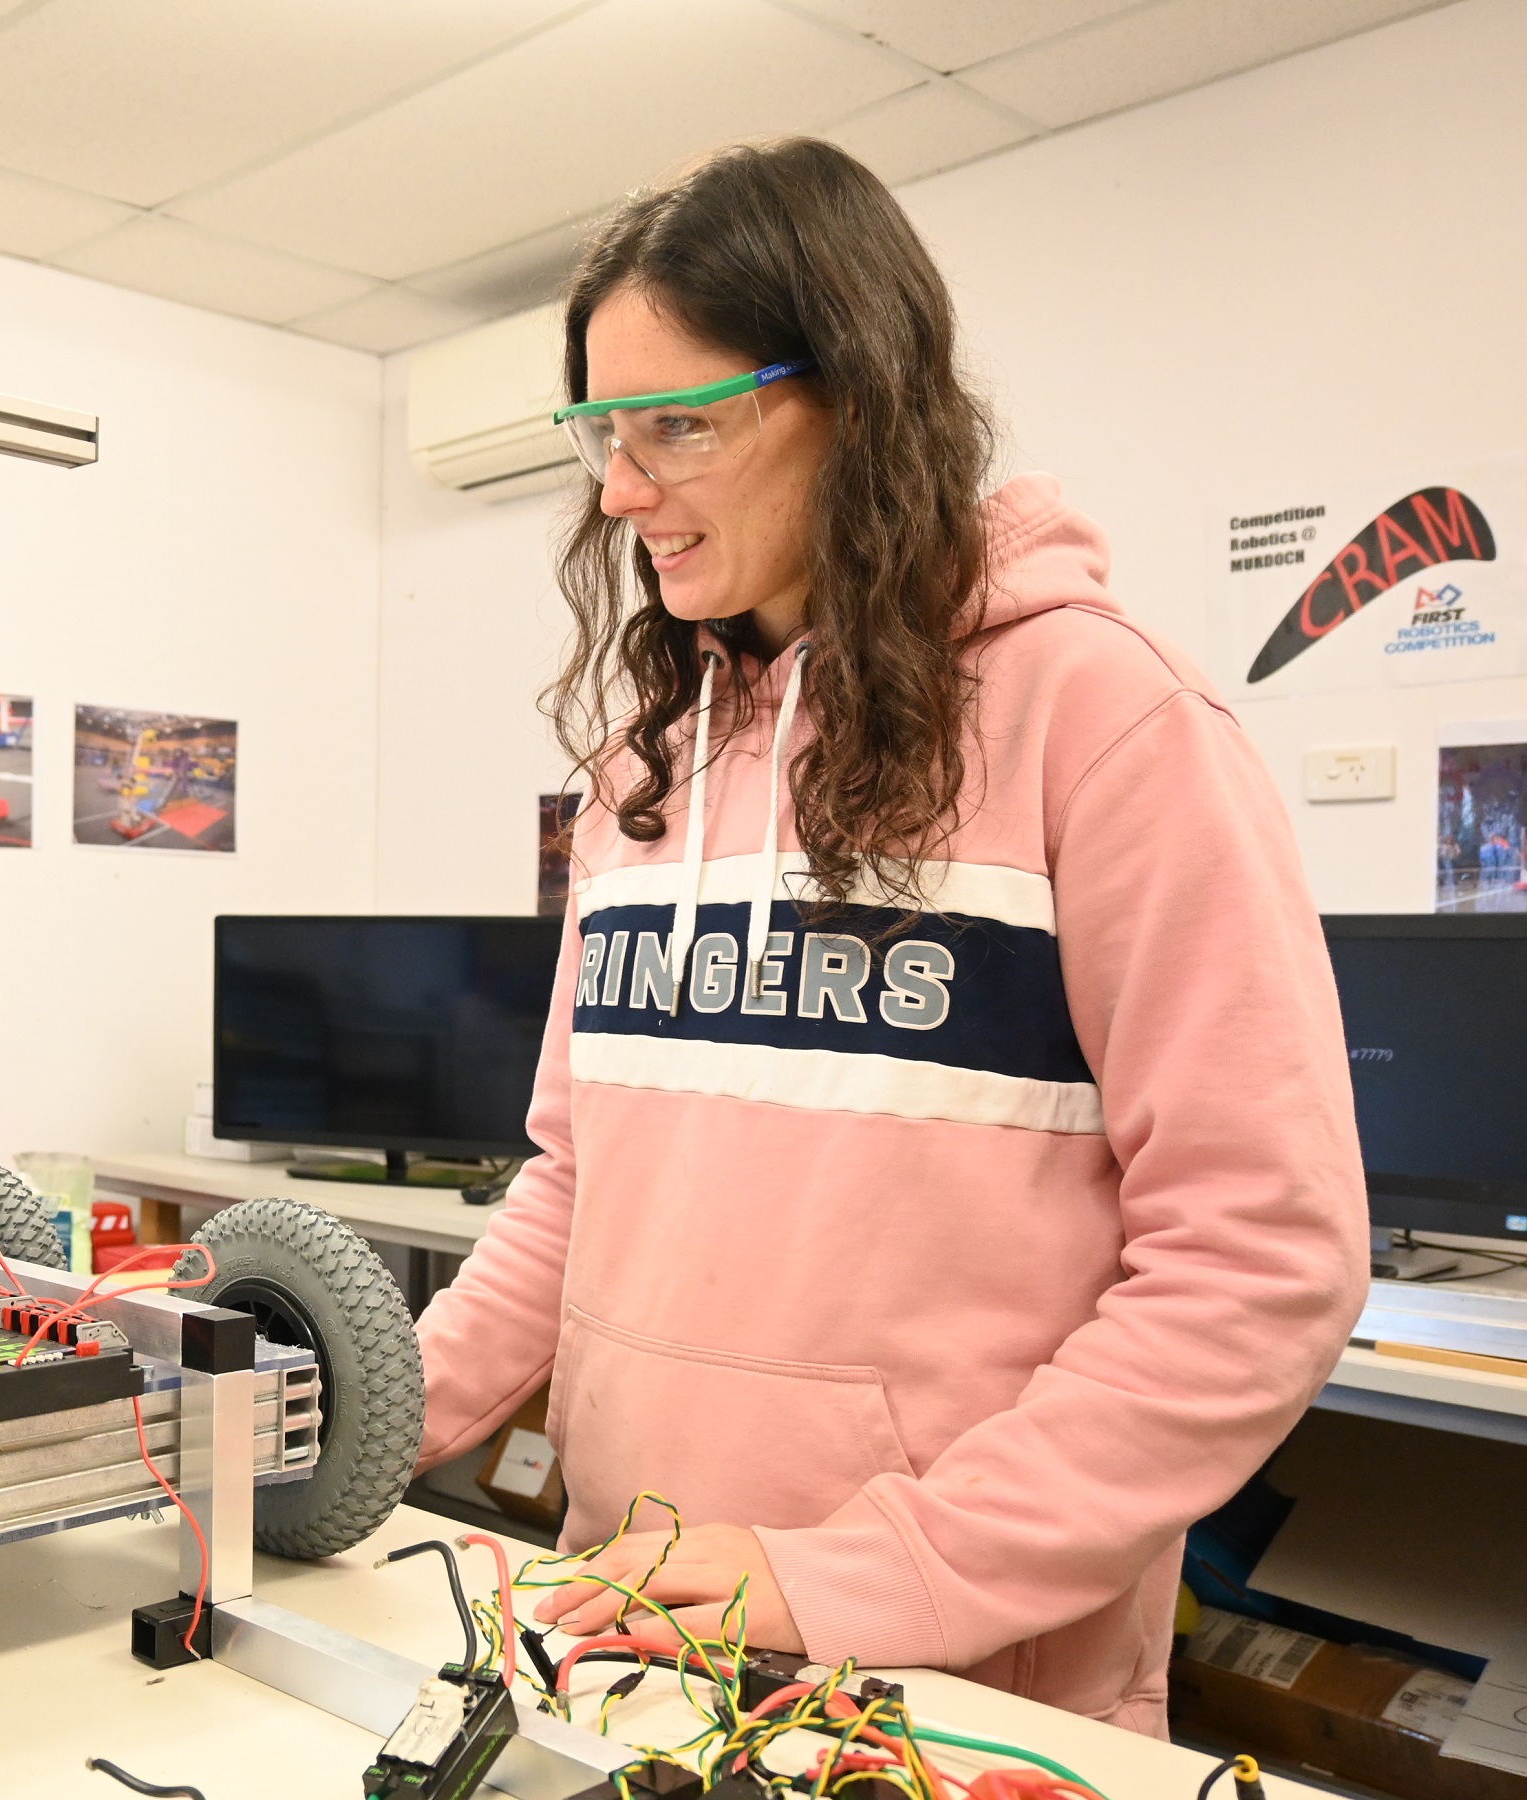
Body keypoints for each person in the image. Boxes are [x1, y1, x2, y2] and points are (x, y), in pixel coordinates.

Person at [413, 140, 1365, 1734]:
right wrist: (351, 1414)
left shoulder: (1104, 719)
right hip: (627, 1629)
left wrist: (881, 1568)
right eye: (601, 433)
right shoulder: (645, 769)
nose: (623, 489)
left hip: (947, 1683)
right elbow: (574, 1189)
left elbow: (1261, 1257)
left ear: (857, 399)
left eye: (679, 427)